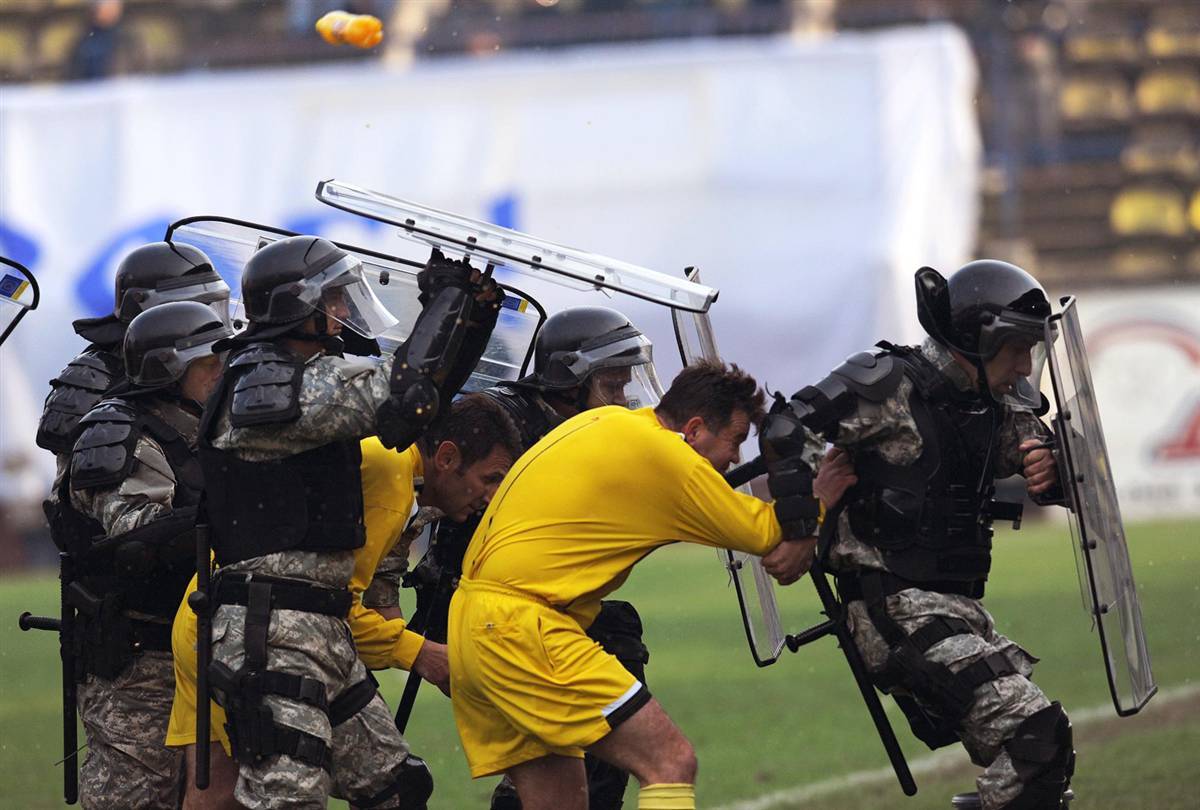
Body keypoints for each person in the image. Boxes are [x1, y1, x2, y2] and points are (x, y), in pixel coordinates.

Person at [446, 360, 854, 810]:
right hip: (519, 629)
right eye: (736, 440)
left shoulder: (608, 421)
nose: (737, 457)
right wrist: (821, 499)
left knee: (561, 801)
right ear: (695, 429)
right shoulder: (667, 456)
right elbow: (768, 539)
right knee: (670, 764)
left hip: (471, 625)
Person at [196, 235, 502, 809]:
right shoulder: (263, 386)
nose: (342, 313)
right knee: (290, 799)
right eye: (333, 299)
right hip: (271, 632)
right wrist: (444, 308)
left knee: (398, 789)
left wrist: (474, 313)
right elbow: (401, 405)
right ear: (297, 305)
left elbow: (419, 402)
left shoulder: (301, 376)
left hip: (321, 624)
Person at [772, 260, 1072, 810]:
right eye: (1017, 349)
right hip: (893, 609)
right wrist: (801, 526)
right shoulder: (887, 383)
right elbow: (789, 429)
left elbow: (1040, 451)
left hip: (956, 609)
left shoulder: (996, 399)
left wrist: (1050, 468)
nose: (1026, 366)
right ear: (979, 340)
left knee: (1045, 751)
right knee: (1035, 734)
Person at [167, 393, 523, 810]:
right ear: (446, 457)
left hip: (207, 621)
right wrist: (424, 654)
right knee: (393, 788)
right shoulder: (390, 473)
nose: (491, 497)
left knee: (214, 796)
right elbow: (332, 608)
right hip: (262, 633)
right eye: (491, 478)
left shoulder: (385, 459)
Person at [394, 305, 662, 810]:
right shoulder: (505, 420)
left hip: (527, 612)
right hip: (473, 608)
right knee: (608, 671)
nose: (623, 401)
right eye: (611, 386)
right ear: (571, 381)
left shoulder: (579, 430)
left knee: (615, 640)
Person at [57, 300, 232, 809]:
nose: (221, 372)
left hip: (204, 645)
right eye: (207, 363)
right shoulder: (118, 433)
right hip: (139, 658)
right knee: (135, 798)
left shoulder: (207, 426)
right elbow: (135, 538)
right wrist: (227, 515)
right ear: (168, 369)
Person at [37, 240, 231, 476]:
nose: (206, 319)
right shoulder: (95, 375)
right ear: (150, 306)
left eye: (212, 306)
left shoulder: (201, 358)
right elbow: (86, 484)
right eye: (198, 307)